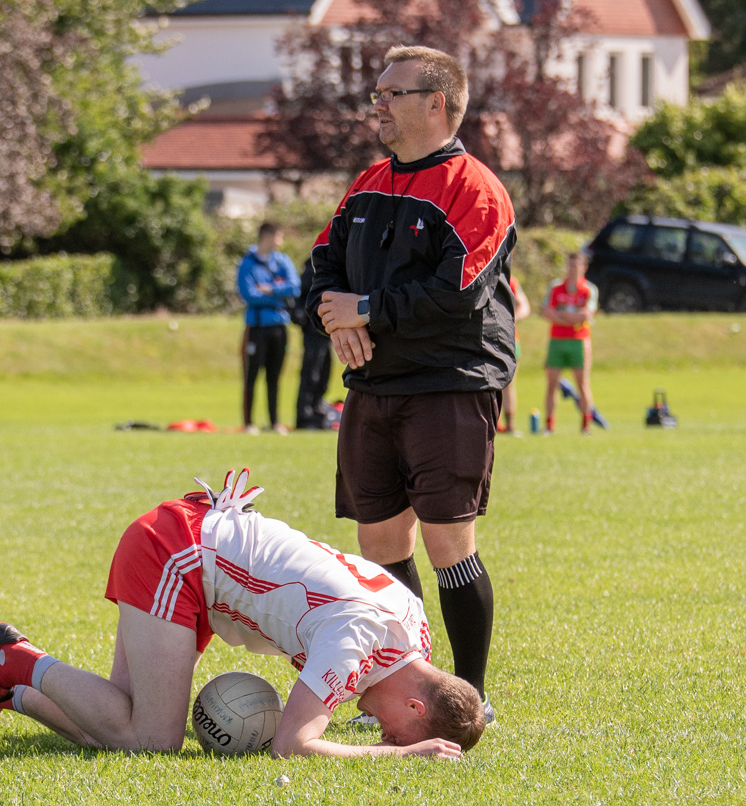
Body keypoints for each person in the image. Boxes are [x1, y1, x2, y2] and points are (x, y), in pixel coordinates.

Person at [0, 470, 485, 759]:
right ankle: (11, 660)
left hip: (201, 560)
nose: (382, 736)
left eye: (388, 742)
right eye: (397, 734)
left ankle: (8, 690)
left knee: (115, 729)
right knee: (152, 740)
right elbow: (291, 746)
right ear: (416, 706)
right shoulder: (356, 642)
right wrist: (396, 760)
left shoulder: (415, 630)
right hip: (177, 552)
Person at [306, 46, 516, 722]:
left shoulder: (475, 187)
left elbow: (456, 291)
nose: (377, 104)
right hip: (373, 385)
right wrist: (335, 322)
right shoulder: (366, 181)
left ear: (437, 103)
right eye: (377, 91)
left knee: (447, 542)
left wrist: (364, 310)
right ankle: (409, 689)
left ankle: (471, 697)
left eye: (392, 93)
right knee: (378, 546)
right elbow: (318, 267)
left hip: (448, 383)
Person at [236, 222, 300, 435]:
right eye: (279, 236)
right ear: (268, 236)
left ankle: (274, 422)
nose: (280, 241)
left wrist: (269, 289)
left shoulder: (282, 261)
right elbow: (249, 294)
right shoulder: (247, 263)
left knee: (274, 376)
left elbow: (295, 288)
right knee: (251, 375)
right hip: (256, 327)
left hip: (279, 327)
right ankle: (249, 423)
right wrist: (277, 297)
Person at [541, 251, 599, 435]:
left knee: (582, 384)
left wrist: (562, 316)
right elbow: (547, 311)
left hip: (578, 341)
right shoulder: (556, 287)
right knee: (552, 384)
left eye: (576, 266)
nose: (572, 269)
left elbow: (586, 315)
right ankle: (549, 425)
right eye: (570, 265)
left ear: (584, 267)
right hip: (557, 340)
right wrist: (570, 319)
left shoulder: (589, 290)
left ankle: (585, 424)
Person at [294, 258, 334, 429]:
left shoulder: (332, 262)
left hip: (326, 330)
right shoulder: (314, 264)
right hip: (313, 329)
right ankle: (304, 415)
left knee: (324, 372)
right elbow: (303, 296)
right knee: (311, 373)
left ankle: (316, 411)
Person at [498, 274, 532, 435]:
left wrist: (509, 320)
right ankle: (493, 424)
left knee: (508, 383)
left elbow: (524, 306)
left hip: (509, 339)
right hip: (484, 339)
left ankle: (510, 425)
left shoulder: (510, 280)